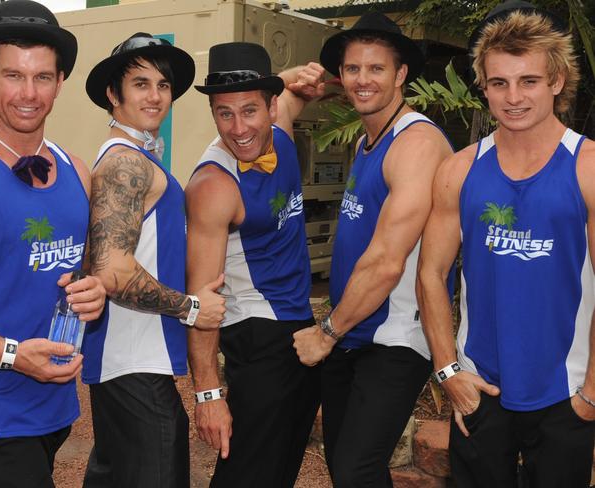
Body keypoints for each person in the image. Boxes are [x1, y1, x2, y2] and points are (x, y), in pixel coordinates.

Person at [417, 2, 595, 487]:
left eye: (529, 81)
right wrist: (447, 369)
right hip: (479, 387)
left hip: (566, 392)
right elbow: (431, 274)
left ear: (557, 81)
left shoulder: (587, 168)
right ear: (485, 87)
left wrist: (591, 394)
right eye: (499, 83)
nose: (513, 97)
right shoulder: (460, 170)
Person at [0, 1, 106, 487]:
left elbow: (78, 270)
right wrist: (11, 353)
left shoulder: (76, 170)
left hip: (53, 408)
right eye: (13, 75)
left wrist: (95, 290)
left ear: (60, 83)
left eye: (42, 77)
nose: (28, 94)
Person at [291, 11, 454, 487]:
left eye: (376, 68)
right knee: (347, 466)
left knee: (359, 465)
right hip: (352, 329)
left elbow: (387, 262)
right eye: (353, 69)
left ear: (401, 74)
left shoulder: (416, 144)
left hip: (394, 338)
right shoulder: (368, 140)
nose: (363, 80)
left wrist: (326, 331)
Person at [82, 33, 226, 488]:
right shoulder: (127, 163)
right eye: (141, 83)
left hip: (127, 366)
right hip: (134, 365)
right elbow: (111, 270)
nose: (156, 95)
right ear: (113, 93)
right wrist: (192, 308)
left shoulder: (134, 156)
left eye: (163, 85)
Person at [185, 42, 324, 488]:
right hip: (256, 332)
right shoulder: (213, 184)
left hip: (299, 323)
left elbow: (300, 88)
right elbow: (200, 301)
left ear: (272, 106)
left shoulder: (281, 131)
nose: (239, 128)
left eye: (249, 110)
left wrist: (316, 77)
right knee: (247, 470)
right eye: (224, 113)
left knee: (281, 465)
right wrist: (208, 394)